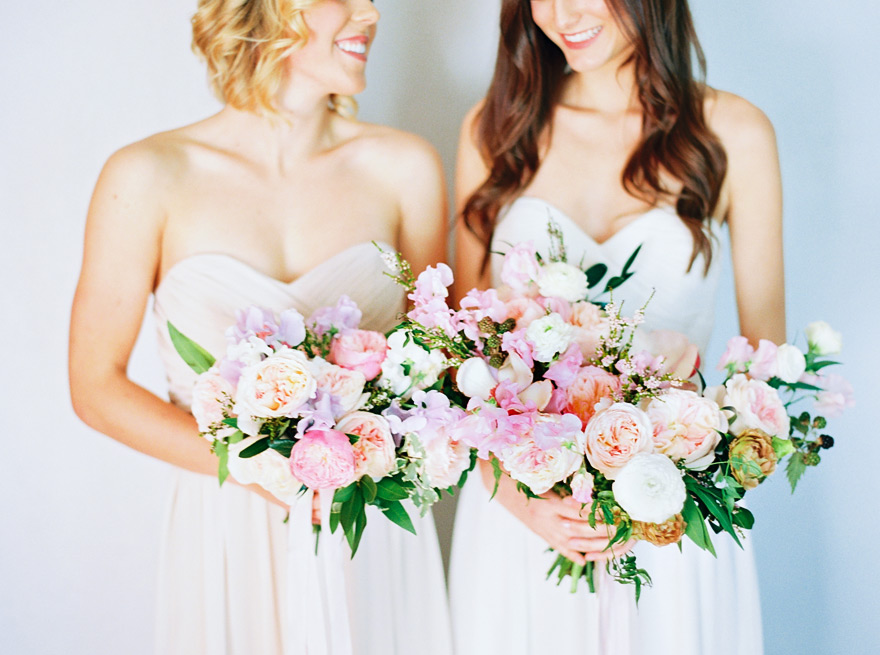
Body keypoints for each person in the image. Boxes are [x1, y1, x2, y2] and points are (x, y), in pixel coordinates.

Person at [68, 1, 452, 653]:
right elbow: (94, 385)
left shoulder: (405, 167)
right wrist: (259, 470)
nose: (371, 13)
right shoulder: (147, 175)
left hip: (367, 520)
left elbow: (439, 361)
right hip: (226, 522)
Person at [449, 0, 782, 653]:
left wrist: (669, 500)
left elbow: (768, 376)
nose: (559, 13)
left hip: (670, 528)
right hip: (522, 522)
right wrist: (518, 498)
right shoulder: (494, 129)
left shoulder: (733, 132)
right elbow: (458, 360)